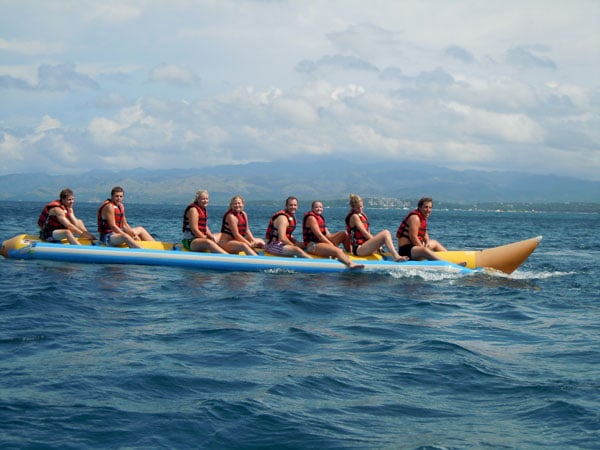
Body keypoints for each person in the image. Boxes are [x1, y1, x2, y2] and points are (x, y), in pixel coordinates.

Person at [345, 193, 407, 262]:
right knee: (386, 233)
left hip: (365, 246)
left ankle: (395, 254)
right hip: (359, 249)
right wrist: (377, 245)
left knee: (386, 234)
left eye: (361, 206)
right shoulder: (354, 217)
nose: (360, 209)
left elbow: (368, 232)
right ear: (352, 207)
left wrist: (376, 244)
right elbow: (365, 233)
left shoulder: (362, 215)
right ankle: (396, 256)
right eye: (357, 207)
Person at [302, 200, 364, 270]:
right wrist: (332, 245)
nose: (319, 209)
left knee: (344, 234)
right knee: (337, 251)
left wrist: (334, 241)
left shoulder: (319, 217)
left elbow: (327, 234)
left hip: (320, 242)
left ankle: (350, 252)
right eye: (316, 207)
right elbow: (319, 236)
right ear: (312, 208)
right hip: (313, 245)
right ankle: (350, 264)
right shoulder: (311, 218)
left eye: (320, 207)